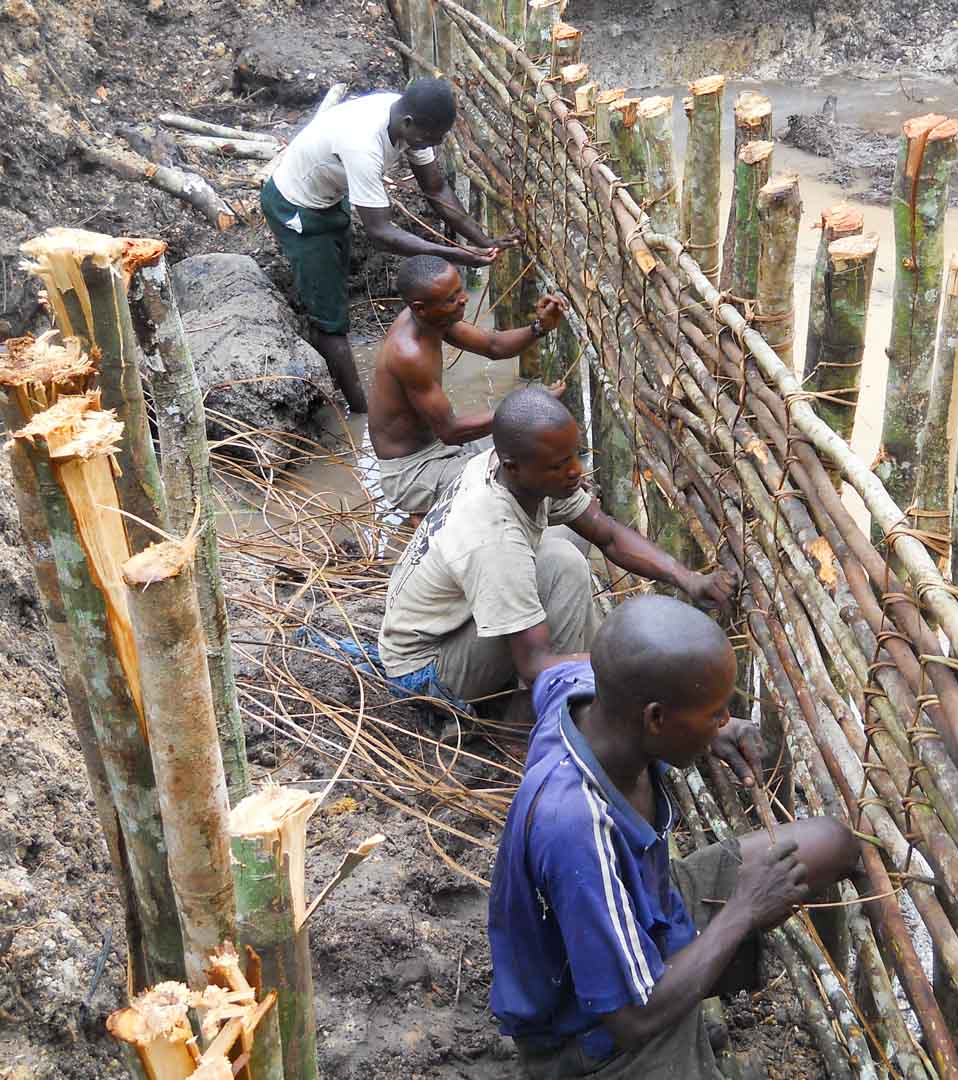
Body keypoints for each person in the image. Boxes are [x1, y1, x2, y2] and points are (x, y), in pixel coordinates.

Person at [488, 595, 862, 1077]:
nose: (725, 721)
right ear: (656, 719)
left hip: (648, 902)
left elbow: (551, 675)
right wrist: (743, 911)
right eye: (715, 714)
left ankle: (696, 973)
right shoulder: (576, 827)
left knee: (832, 843)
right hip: (591, 1031)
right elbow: (631, 1017)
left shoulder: (583, 693)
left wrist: (712, 733)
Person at [376, 386, 736, 710]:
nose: (576, 471)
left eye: (574, 455)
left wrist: (688, 579)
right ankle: (537, 716)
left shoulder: (510, 469)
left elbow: (608, 535)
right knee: (564, 564)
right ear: (513, 467)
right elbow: (534, 665)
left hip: (448, 623)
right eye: (560, 465)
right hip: (424, 672)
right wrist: (635, 665)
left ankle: (577, 680)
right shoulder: (494, 537)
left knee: (565, 545)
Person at [261, 77, 515, 413]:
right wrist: (456, 255)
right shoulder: (363, 144)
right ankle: (360, 411)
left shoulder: (411, 119)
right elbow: (380, 233)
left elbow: (436, 190)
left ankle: (327, 323)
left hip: (329, 198)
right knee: (330, 320)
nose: (435, 144)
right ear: (408, 123)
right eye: (431, 138)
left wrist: (482, 240)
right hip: (296, 209)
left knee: (331, 286)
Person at [368, 254, 570, 516]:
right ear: (420, 308)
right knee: (522, 476)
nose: (463, 299)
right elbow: (451, 431)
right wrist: (530, 406)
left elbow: (493, 346)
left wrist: (539, 327)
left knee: (529, 448)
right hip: (412, 472)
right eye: (452, 299)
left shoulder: (435, 316)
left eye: (460, 290)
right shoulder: (409, 354)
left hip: (441, 447)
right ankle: (430, 512)